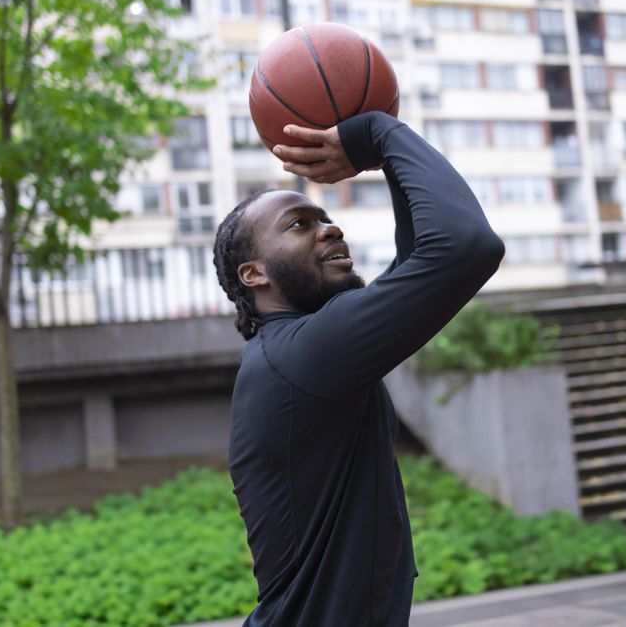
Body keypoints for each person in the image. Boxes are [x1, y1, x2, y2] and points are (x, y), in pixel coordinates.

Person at [213, 111, 504, 626]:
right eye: (300, 224)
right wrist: (375, 131)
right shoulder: (304, 354)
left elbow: (418, 255)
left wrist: (381, 157)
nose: (330, 228)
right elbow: (465, 246)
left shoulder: (295, 351)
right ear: (253, 273)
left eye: (325, 217)